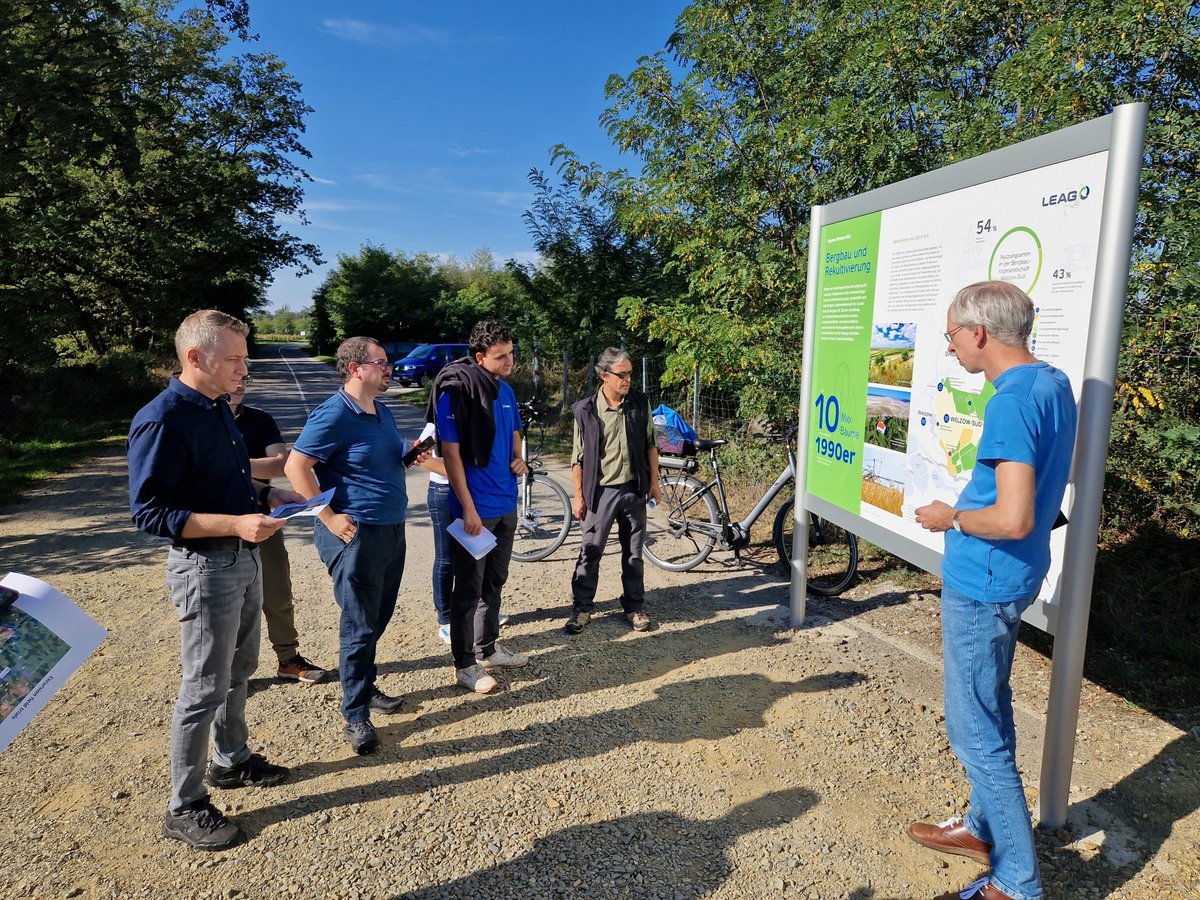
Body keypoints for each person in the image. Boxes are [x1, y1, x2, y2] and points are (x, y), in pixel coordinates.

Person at [910, 281, 1077, 900]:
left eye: (953, 334)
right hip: (1013, 575)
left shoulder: (1010, 402)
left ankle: (1016, 882)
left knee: (974, 730)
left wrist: (949, 516)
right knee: (993, 705)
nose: (951, 347)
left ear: (979, 333)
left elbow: (1011, 518)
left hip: (984, 577)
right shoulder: (1052, 383)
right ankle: (983, 827)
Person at [128, 310, 301, 851]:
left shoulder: (218, 409)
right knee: (204, 686)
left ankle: (232, 761)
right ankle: (185, 804)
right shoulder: (163, 419)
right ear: (194, 358)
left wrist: (268, 498)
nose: (243, 369)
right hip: (205, 568)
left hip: (242, 561)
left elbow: (230, 481)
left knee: (240, 669)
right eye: (234, 359)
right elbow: (150, 512)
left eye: (243, 358)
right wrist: (235, 524)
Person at [284, 337, 423, 755]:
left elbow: (370, 461)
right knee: (359, 622)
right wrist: (327, 515)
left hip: (391, 528)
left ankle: (365, 684)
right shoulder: (334, 413)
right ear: (355, 368)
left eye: (388, 362)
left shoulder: (380, 410)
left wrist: (407, 456)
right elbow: (296, 466)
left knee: (378, 615)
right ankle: (356, 713)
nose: (389, 369)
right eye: (381, 363)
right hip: (355, 532)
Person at [433, 319, 528, 694]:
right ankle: (465, 664)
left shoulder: (505, 390)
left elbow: (515, 431)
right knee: (467, 590)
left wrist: (518, 457)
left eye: (511, 353)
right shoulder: (457, 395)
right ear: (480, 357)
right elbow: (451, 456)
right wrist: (468, 508)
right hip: (476, 510)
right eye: (501, 356)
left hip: (506, 503)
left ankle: (488, 648)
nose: (509, 361)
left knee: (495, 581)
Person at [228, 376, 327, 683]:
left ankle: (288, 659)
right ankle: (230, 673)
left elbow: (281, 464)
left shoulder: (259, 419)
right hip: (219, 527)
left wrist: (231, 462)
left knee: (278, 594)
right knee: (229, 603)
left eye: (245, 378)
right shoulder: (202, 421)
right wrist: (251, 465)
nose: (240, 383)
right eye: (234, 375)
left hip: (264, 520)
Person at [564, 348, 662, 635]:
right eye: (623, 374)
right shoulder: (585, 410)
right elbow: (577, 458)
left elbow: (650, 444)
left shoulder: (639, 404)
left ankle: (633, 607)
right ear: (604, 376)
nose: (628, 379)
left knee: (633, 554)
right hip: (600, 493)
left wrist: (654, 482)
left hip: (633, 490)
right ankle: (582, 608)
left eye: (630, 373)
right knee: (590, 551)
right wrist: (580, 496)